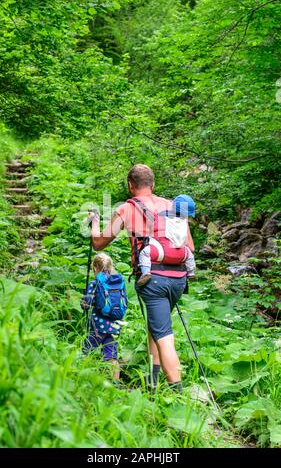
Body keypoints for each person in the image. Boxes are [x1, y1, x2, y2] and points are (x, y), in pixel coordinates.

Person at [89, 164, 195, 393]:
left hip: (152, 279)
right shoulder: (171, 205)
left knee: (163, 335)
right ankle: (153, 384)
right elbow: (190, 246)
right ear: (153, 184)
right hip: (178, 278)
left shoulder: (127, 209)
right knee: (156, 326)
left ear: (130, 185)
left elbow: (98, 243)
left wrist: (94, 222)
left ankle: (178, 394)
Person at [81, 252, 127, 382]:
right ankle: (115, 383)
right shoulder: (118, 281)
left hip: (97, 326)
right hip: (114, 326)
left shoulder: (95, 282)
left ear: (95, 268)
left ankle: (85, 379)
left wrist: (84, 303)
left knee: (88, 351)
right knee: (112, 356)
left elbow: (88, 303)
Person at [137, 194, 197, 287]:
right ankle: (191, 272)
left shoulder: (159, 216)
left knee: (144, 253)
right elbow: (192, 248)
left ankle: (146, 272)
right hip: (182, 254)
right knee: (190, 254)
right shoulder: (183, 223)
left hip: (160, 253)